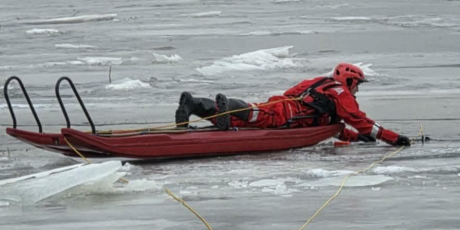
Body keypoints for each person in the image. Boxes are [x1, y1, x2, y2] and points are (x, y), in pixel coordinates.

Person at [174, 63, 411, 146]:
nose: (357, 89)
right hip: (289, 116)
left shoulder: (318, 82)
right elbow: (359, 119)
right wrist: (392, 137)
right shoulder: (341, 92)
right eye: (357, 84)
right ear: (349, 80)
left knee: (237, 119)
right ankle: (226, 104)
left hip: (284, 105)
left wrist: (357, 138)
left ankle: (194, 104)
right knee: (256, 114)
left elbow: (334, 126)